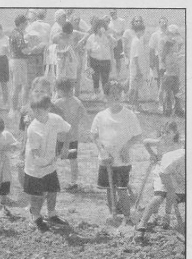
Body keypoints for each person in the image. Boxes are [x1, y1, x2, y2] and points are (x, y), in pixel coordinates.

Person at [90, 80, 142, 226]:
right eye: (112, 94)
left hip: (122, 160)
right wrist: (102, 151)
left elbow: (137, 135)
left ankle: (127, 216)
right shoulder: (101, 116)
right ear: (106, 96)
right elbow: (94, 135)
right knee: (109, 188)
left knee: (122, 189)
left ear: (122, 95)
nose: (116, 96)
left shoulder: (129, 115)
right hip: (106, 159)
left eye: (118, 93)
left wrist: (126, 147)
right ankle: (113, 213)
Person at [24, 95, 72, 232]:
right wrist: (44, 162)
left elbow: (69, 130)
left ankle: (52, 214)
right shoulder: (33, 129)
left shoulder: (55, 120)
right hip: (35, 167)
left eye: (39, 111)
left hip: (50, 166)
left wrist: (65, 147)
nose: (36, 114)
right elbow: (35, 154)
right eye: (34, 111)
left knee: (52, 191)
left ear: (48, 109)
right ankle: (36, 217)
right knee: (37, 195)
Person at [136, 146, 185, 236]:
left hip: (180, 179)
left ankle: (172, 220)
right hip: (163, 174)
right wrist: (171, 191)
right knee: (159, 197)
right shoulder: (175, 157)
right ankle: (142, 223)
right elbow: (163, 174)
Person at [54, 78, 87, 190]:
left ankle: (49, 178)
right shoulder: (77, 101)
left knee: (53, 158)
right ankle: (73, 182)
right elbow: (83, 114)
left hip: (59, 136)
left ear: (60, 90)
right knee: (73, 159)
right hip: (72, 136)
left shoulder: (57, 102)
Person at [24, 9, 51, 107]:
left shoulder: (32, 27)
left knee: (35, 81)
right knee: (34, 81)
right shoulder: (32, 28)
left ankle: (37, 101)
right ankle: (32, 102)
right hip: (36, 56)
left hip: (37, 56)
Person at [85, 18, 116, 101]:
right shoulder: (91, 37)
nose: (100, 29)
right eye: (98, 27)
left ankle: (105, 95)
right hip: (94, 60)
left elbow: (115, 43)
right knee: (95, 78)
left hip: (105, 60)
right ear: (96, 28)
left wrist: (107, 34)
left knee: (105, 79)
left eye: (102, 27)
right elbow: (88, 50)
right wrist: (88, 62)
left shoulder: (108, 37)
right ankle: (96, 94)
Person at [52, 22, 89, 87]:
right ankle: (59, 94)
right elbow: (51, 49)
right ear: (63, 32)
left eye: (70, 34)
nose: (68, 35)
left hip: (73, 59)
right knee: (60, 80)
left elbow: (87, 34)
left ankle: (75, 95)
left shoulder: (74, 33)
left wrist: (80, 42)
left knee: (73, 79)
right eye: (67, 34)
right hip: (61, 60)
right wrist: (61, 52)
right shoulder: (56, 37)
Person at [9, 14, 31, 118]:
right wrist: (32, 49)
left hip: (16, 61)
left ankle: (22, 107)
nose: (27, 24)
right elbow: (24, 50)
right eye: (25, 23)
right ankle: (13, 110)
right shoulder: (18, 34)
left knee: (22, 85)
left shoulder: (15, 33)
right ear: (21, 23)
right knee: (17, 86)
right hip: (18, 61)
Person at [160, 30, 184, 117]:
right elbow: (175, 65)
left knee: (170, 94)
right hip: (171, 77)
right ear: (170, 47)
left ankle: (171, 109)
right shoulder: (171, 56)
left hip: (170, 76)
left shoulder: (167, 56)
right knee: (172, 94)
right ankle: (172, 110)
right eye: (174, 46)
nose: (176, 47)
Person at [149, 17, 168, 111]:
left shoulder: (169, 33)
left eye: (165, 22)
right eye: (162, 22)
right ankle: (160, 97)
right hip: (158, 58)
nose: (164, 24)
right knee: (159, 79)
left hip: (168, 59)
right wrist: (151, 62)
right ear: (159, 23)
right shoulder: (155, 35)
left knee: (166, 78)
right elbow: (151, 49)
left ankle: (164, 97)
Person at [129, 22, 148, 112]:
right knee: (134, 88)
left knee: (136, 88)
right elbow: (135, 57)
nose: (144, 32)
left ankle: (136, 105)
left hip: (137, 67)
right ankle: (133, 107)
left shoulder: (138, 40)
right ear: (139, 31)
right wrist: (139, 70)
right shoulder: (136, 41)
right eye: (143, 31)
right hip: (136, 69)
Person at [46, 9, 67, 90]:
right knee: (58, 75)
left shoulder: (59, 26)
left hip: (58, 53)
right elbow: (58, 42)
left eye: (65, 17)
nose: (65, 18)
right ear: (58, 18)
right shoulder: (57, 28)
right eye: (63, 17)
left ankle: (57, 93)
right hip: (58, 54)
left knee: (59, 75)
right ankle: (57, 94)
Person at [108, 9, 126, 78]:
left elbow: (124, 32)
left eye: (113, 12)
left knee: (117, 59)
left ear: (116, 12)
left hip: (118, 41)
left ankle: (118, 74)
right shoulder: (108, 21)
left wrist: (118, 33)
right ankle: (108, 75)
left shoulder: (121, 21)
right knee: (108, 59)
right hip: (109, 42)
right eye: (111, 13)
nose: (112, 14)